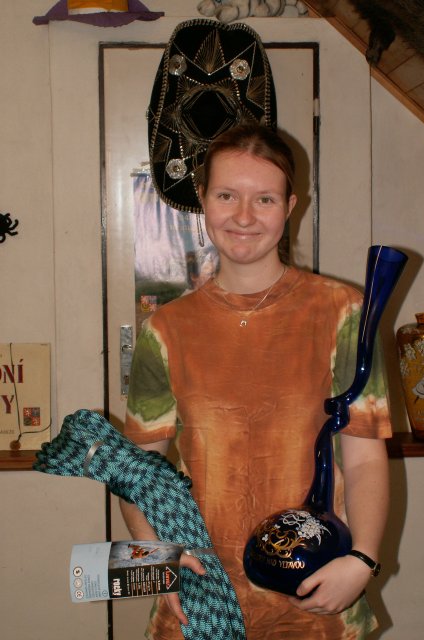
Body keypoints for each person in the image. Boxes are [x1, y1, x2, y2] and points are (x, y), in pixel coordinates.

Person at [121, 123, 391, 639]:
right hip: (202, 598)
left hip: (316, 596)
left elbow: (363, 459)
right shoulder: (166, 331)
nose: (243, 216)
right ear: (203, 200)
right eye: (227, 195)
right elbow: (138, 471)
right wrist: (158, 561)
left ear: (289, 207)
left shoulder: (343, 313)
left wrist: (362, 560)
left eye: (264, 199)